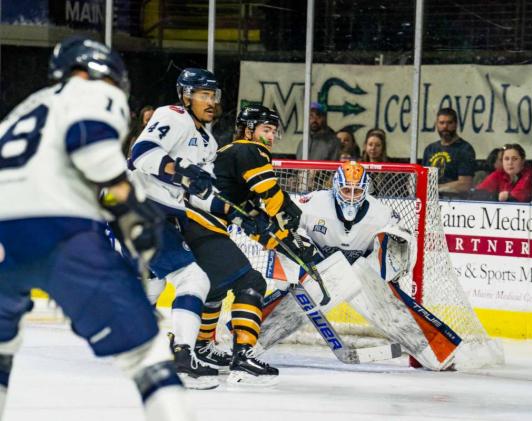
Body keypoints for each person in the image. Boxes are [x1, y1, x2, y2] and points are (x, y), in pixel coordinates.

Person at [0, 36, 194, 420]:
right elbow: (94, 153)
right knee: (148, 351)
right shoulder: (91, 92)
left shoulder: (21, 112)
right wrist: (132, 211)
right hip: (60, 230)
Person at [252, 162, 455, 371]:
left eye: (356, 191)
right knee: (291, 303)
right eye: (346, 190)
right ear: (335, 187)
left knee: (389, 307)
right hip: (317, 268)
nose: (351, 196)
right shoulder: (313, 203)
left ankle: (439, 353)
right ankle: (244, 342)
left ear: (366, 190)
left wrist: (386, 271)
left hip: (361, 271)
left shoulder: (382, 213)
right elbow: (284, 228)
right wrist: (292, 266)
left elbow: (399, 248)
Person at [182, 104, 302, 385]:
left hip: (190, 226)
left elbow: (250, 217)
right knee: (252, 282)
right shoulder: (249, 150)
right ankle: (243, 357)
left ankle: (198, 347)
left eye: (274, 131)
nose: (271, 137)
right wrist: (294, 223)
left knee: (215, 286)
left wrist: (280, 240)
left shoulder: (231, 157)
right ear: (249, 130)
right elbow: (272, 197)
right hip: (201, 225)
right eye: (266, 129)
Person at [128, 68, 221, 389]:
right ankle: (182, 356)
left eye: (213, 95)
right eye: (203, 95)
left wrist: (244, 216)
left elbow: (202, 194)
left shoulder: (209, 142)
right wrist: (181, 172)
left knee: (153, 282)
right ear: (185, 96)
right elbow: (141, 154)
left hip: (156, 214)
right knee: (192, 278)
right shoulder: (174, 115)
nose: (210, 101)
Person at [422, 108, 476, 196]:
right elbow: (422, 178)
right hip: (430, 199)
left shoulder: (465, 149)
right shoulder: (430, 149)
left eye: (449, 122)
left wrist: (436, 188)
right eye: (441, 123)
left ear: (456, 124)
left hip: (454, 201)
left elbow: (465, 184)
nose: (445, 126)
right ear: (436, 124)